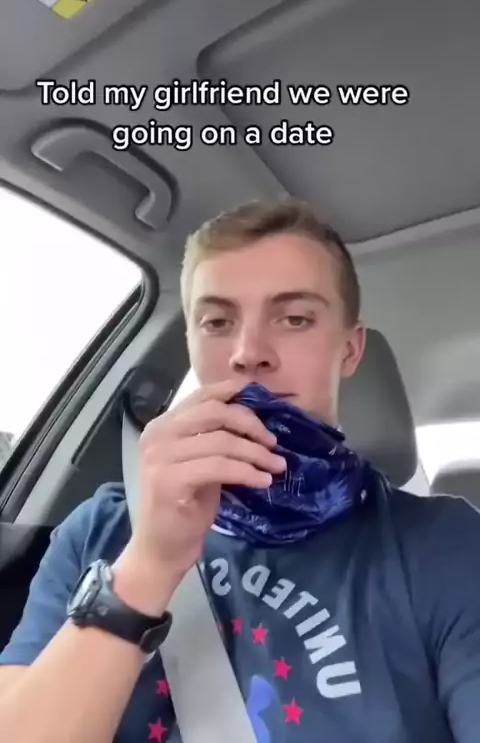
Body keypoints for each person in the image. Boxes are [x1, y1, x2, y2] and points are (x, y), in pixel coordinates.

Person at [0, 198, 479, 743]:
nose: (249, 352)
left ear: (350, 350)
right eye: (218, 322)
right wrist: (151, 562)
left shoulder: (446, 546)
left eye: (295, 319)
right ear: (192, 344)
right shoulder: (102, 529)